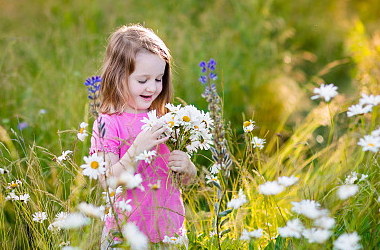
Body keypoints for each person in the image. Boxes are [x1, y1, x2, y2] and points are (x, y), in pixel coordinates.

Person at [89, 24, 197, 249]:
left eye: (159, 79)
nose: (153, 88)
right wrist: (136, 149)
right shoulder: (108, 123)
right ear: (118, 77)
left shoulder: (167, 118)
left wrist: (187, 168)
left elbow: (184, 182)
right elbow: (107, 181)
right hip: (124, 234)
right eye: (142, 80)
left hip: (169, 231)